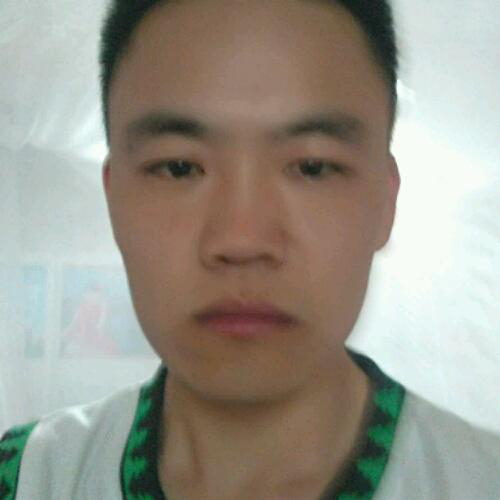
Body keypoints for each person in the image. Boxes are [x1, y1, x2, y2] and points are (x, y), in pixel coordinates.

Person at [1, 1, 499, 499]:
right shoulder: (28, 477)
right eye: (179, 167)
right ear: (114, 200)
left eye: (313, 168)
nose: (242, 241)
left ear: (386, 203)